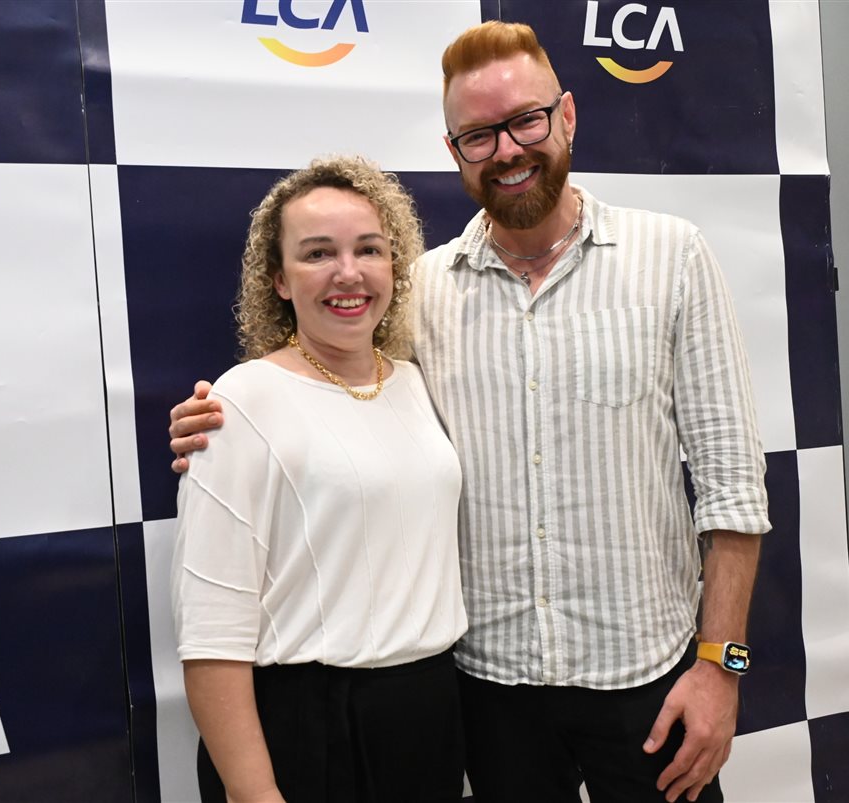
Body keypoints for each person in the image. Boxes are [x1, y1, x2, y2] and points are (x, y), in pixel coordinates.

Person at [170, 22, 770, 803]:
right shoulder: (422, 291)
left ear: (568, 116)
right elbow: (330, 398)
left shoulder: (673, 255)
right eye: (479, 134)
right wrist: (219, 419)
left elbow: (731, 485)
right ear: (455, 151)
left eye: (525, 120)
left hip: (647, 688)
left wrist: (720, 666)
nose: (509, 149)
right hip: (487, 700)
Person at [171, 156, 468, 803]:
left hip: (427, 717)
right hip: (309, 730)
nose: (348, 272)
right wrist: (255, 793)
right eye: (317, 253)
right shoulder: (241, 402)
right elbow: (212, 639)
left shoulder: (417, 382)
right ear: (277, 278)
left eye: (369, 249)